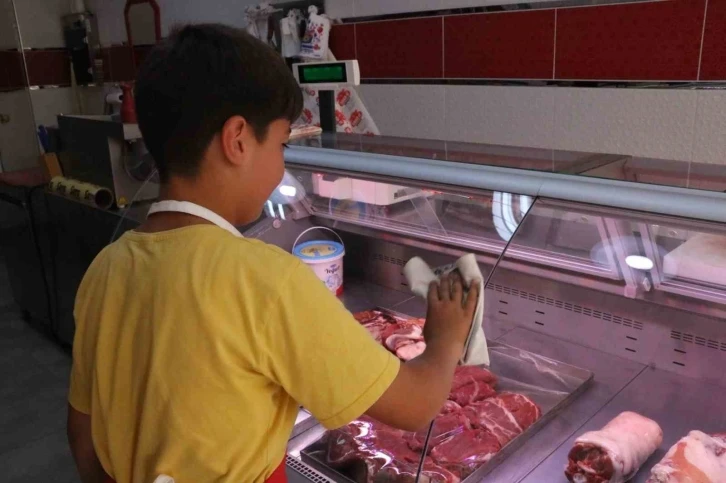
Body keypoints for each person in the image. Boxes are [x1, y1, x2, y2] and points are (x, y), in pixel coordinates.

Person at [66, 23, 478, 483]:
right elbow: (415, 406)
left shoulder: (106, 267)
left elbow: (83, 434)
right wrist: (445, 338)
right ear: (237, 140)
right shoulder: (264, 280)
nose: (282, 165)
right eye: (281, 144)